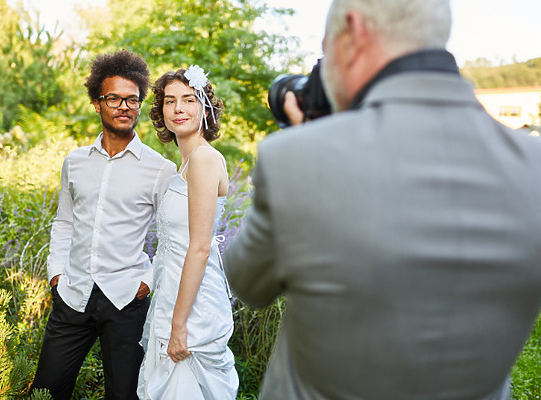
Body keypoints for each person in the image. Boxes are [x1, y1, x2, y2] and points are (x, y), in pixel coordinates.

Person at [224, 0, 541, 399]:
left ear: (354, 32)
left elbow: (247, 283)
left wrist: (309, 137)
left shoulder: (296, 158)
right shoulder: (534, 166)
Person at [31, 50, 177, 400]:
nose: (124, 106)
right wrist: (56, 274)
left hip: (127, 298)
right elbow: (64, 221)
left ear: (140, 104)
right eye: (114, 98)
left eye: (132, 99)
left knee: (124, 396)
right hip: (73, 294)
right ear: (98, 103)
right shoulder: (75, 161)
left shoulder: (160, 169)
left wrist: (147, 280)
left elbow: (174, 239)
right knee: (45, 392)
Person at [136, 66, 238, 399]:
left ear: (205, 107)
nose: (178, 108)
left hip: (193, 310)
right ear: (161, 110)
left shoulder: (205, 160)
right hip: (172, 294)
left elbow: (200, 249)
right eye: (170, 101)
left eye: (189, 100)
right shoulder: (186, 162)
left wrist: (179, 325)